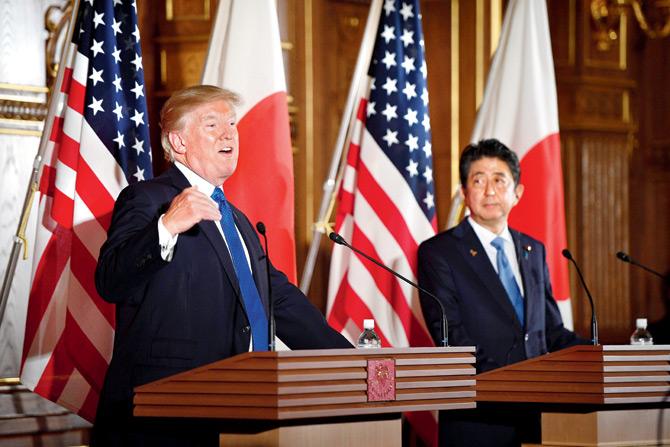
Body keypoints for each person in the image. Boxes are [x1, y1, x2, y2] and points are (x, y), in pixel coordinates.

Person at [92, 85, 352, 446]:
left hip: (239, 408)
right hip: (164, 414)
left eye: (232, 123)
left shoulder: (238, 221)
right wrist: (166, 228)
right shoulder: (149, 199)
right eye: (212, 125)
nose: (230, 133)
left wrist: (350, 363)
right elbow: (110, 281)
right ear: (179, 142)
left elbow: (278, 299)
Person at [417, 139, 586, 446]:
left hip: (540, 419)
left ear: (517, 193)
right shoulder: (438, 253)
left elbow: (551, 332)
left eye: (499, 180)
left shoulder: (533, 250)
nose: (490, 191)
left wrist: (599, 353)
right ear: (465, 193)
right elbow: (453, 336)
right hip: (478, 418)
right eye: (478, 180)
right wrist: (518, 384)